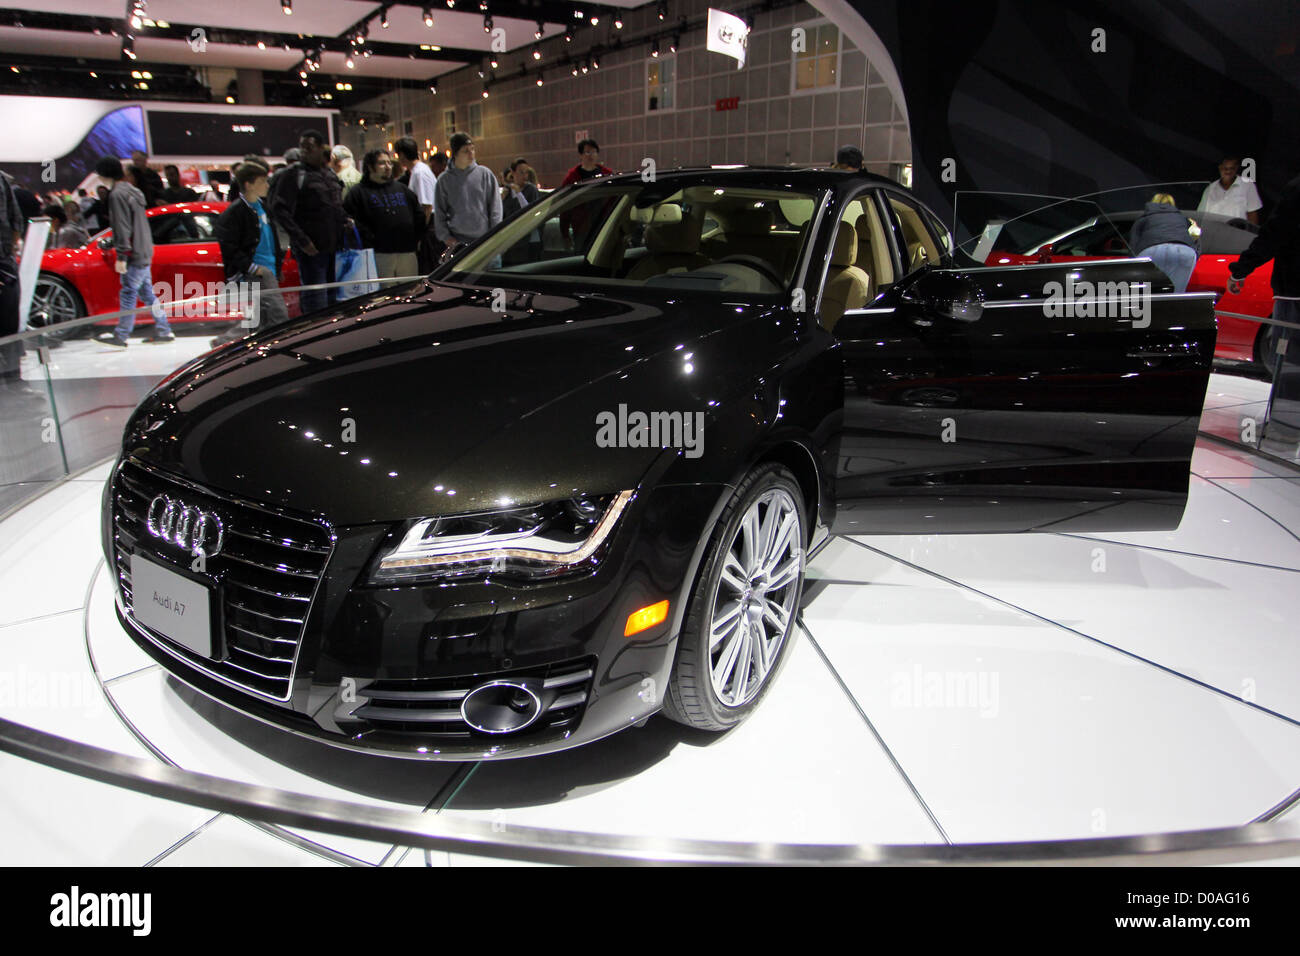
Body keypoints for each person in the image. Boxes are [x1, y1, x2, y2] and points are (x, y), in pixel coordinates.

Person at [91, 155, 174, 346]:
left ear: (105, 175)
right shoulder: (133, 191)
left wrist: (121, 254)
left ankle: (121, 335)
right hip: (144, 249)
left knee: (129, 292)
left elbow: (122, 227)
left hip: (133, 253)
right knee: (146, 293)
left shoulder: (117, 194)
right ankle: (164, 330)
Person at [211, 162, 289, 347]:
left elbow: (273, 241)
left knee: (258, 319)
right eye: (263, 181)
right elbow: (229, 248)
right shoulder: (234, 213)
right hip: (255, 273)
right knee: (279, 316)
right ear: (249, 184)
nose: (267, 185)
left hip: (268, 270)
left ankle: (224, 343)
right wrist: (254, 268)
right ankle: (224, 343)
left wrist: (277, 267)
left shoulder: (263, 207)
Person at [269, 130, 348, 314]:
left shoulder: (328, 173)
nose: (304, 151)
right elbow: (279, 209)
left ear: (321, 148)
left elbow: (336, 206)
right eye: (302, 147)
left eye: (309, 147)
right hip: (310, 248)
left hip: (333, 245)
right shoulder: (293, 174)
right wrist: (302, 240)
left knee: (332, 297)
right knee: (315, 299)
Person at [1228, 172, 1300, 368]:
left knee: (1288, 364)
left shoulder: (1296, 188)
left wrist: (1241, 269)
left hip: (1293, 291)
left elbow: (1273, 234)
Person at [343, 149, 423, 279]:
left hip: (406, 252)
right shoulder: (358, 193)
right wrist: (370, 239)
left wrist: (415, 238)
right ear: (370, 167)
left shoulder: (402, 189)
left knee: (409, 292)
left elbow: (418, 214)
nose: (387, 167)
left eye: (389, 163)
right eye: (382, 163)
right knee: (384, 295)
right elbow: (350, 220)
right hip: (378, 254)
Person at [433, 132, 502, 254]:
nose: (471, 154)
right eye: (466, 151)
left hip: (485, 240)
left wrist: (494, 235)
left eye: (472, 149)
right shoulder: (444, 180)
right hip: (458, 243)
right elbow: (439, 213)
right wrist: (447, 238)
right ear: (455, 154)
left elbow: (495, 208)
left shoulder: (485, 174)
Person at [1129, 193, 1199, 292]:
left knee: (1151, 294)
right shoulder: (1183, 218)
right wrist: (1195, 254)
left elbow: (1133, 244)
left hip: (1152, 251)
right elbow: (1196, 238)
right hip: (1185, 251)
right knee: (1177, 293)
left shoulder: (1143, 218)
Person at [394, 137, 439, 270]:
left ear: (402, 155)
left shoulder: (420, 173)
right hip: (428, 226)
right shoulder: (418, 171)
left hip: (429, 228)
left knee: (428, 267)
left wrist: (419, 235)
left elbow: (427, 206)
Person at [559, 139, 612, 249]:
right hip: (581, 227)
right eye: (587, 152)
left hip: (604, 224)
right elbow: (565, 204)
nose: (591, 155)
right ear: (581, 155)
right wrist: (564, 232)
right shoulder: (572, 178)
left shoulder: (607, 174)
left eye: (594, 152)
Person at [0, 169, 24, 384]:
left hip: (3, 262)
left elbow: (16, 222)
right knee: (8, 319)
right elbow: (16, 222)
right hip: (5, 261)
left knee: (8, 319)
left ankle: (11, 372)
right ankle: (12, 372)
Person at [1198, 156, 1262, 225]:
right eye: (1225, 168)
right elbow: (1200, 216)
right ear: (1220, 168)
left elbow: (1252, 214)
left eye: (1232, 168)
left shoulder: (1247, 184)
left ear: (1236, 168)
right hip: (1213, 232)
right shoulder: (1210, 189)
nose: (1228, 171)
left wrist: (1251, 234)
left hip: (1237, 233)